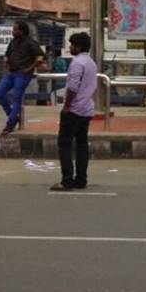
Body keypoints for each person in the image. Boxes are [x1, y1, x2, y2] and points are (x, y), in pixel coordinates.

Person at [50, 32, 97, 192]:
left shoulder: (77, 63)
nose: (70, 48)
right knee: (82, 145)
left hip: (75, 109)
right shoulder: (91, 62)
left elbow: (72, 87)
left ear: (78, 47)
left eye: (72, 45)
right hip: (86, 108)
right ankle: (81, 179)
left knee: (65, 144)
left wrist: (67, 106)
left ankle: (67, 180)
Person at [0, 22, 46, 136]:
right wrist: (7, 66)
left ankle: (10, 124)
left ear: (21, 31)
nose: (12, 31)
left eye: (15, 29)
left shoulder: (31, 43)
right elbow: (7, 55)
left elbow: (40, 57)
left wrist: (29, 69)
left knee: (17, 98)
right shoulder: (13, 42)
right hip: (11, 73)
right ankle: (12, 116)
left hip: (22, 74)